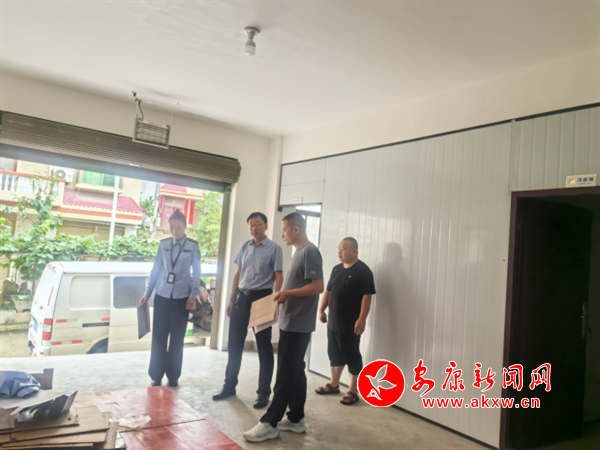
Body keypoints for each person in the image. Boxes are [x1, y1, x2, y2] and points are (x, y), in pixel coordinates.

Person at [243, 212, 324, 443]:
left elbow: (318, 286)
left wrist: (288, 293)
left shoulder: (309, 251)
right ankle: (296, 418)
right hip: (291, 322)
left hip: (299, 324)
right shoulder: (299, 252)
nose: (282, 234)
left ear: (296, 230)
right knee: (296, 370)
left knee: (285, 373)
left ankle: (270, 422)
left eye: (285, 230)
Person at [213, 212, 283, 408]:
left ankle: (263, 393)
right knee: (234, 344)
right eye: (251, 225)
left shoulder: (274, 248)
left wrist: (275, 300)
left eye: (258, 224)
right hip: (241, 298)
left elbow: (279, 276)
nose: (254, 228)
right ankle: (229, 386)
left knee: (264, 347)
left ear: (266, 226)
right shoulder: (245, 247)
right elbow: (238, 274)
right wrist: (231, 299)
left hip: (262, 299)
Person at [139, 210, 201, 387]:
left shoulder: (193, 247)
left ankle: (173, 375)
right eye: (172, 227)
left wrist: (193, 295)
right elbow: (156, 269)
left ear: (185, 227)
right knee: (159, 336)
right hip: (162, 296)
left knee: (177, 338)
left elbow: (197, 272)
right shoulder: (164, 244)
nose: (175, 231)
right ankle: (156, 374)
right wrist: (147, 293)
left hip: (182, 298)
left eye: (178, 227)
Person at [315, 237, 376, 405]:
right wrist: (321, 310)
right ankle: (334, 384)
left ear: (354, 251)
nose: (339, 252)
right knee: (334, 353)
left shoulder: (363, 271)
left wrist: (362, 319)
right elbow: (328, 291)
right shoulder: (336, 269)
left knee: (351, 354)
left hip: (351, 324)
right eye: (339, 248)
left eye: (343, 249)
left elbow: (367, 297)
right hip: (333, 322)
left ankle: (353, 390)